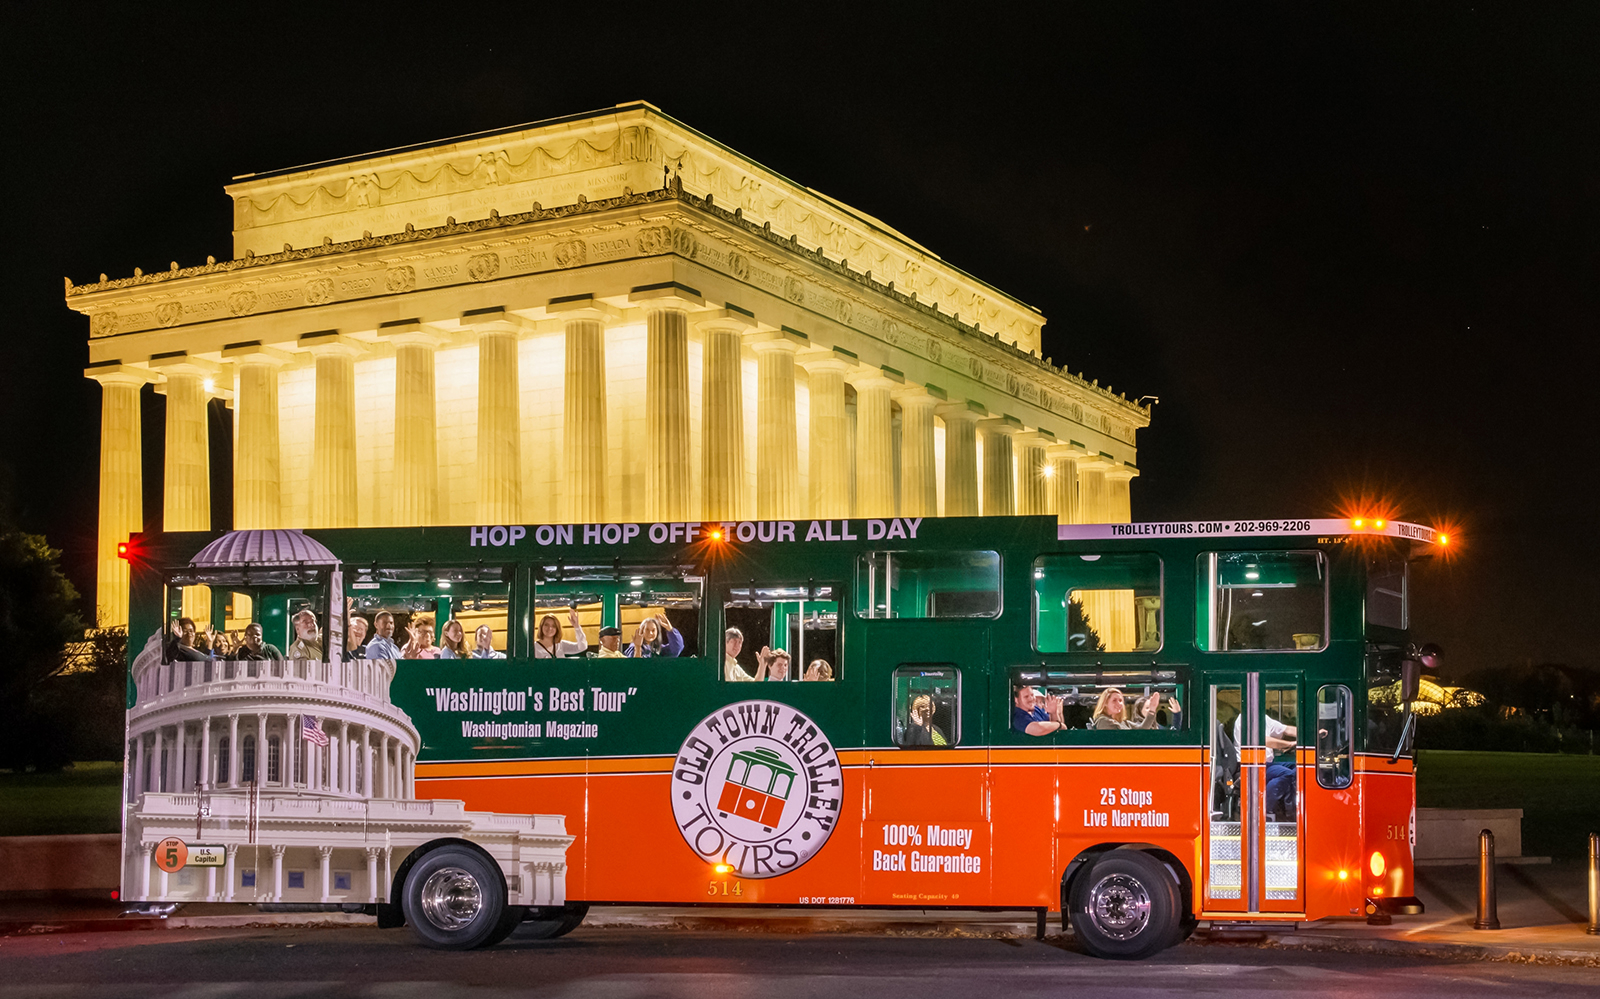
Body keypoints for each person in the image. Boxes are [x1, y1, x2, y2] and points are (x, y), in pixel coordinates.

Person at [1235, 710, 1299, 819]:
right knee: (1286, 774)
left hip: (1266, 763)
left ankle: (1289, 809)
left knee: (1298, 768)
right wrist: (1288, 744)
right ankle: (1264, 810)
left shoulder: (1264, 718)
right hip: (1250, 765)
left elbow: (1287, 729)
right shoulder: (1245, 718)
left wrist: (1311, 733)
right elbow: (1260, 740)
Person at [1091, 688, 1165, 730]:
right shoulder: (1103, 722)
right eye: (1114, 700)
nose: (1119, 703)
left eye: (1120, 700)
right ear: (1105, 703)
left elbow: (1142, 730)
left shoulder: (1124, 723)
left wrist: (1152, 709)